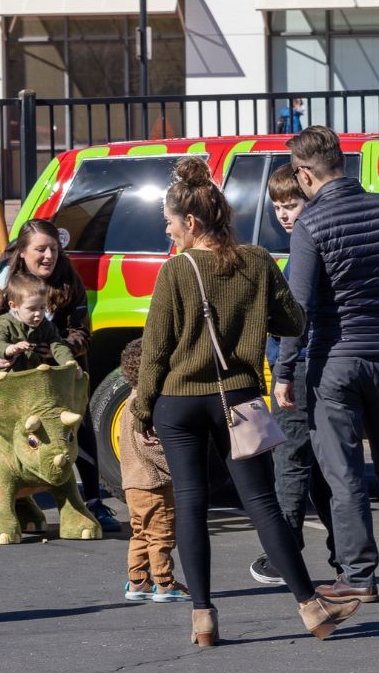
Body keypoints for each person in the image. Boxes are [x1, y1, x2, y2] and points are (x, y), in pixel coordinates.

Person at [130, 155, 359, 646]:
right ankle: (311, 608)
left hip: (178, 403)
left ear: (190, 222)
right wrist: (251, 316)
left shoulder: (176, 271)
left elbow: (156, 351)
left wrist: (142, 408)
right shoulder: (257, 261)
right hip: (239, 399)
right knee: (263, 504)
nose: (168, 232)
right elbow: (295, 323)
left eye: (170, 223)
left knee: (191, 505)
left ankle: (204, 618)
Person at [273, 125, 379, 603]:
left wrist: (283, 371)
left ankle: (360, 576)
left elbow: (296, 309)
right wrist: (377, 306)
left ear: (303, 174)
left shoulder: (311, 225)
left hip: (333, 361)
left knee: (344, 474)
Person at [0, 220, 118, 532]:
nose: (49, 255)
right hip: (16, 371)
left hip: (61, 369)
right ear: (22, 252)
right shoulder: (3, 282)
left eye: (53, 248)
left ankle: (93, 502)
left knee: (79, 428)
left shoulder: (67, 278)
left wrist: (58, 350)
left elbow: (81, 332)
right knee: (0, 427)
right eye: (41, 249)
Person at [249, 163, 337, 586]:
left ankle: (284, 550)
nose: (285, 214)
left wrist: (280, 368)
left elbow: (296, 322)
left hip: (296, 367)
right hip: (307, 365)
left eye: (292, 204)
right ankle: (345, 551)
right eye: (278, 207)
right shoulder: (308, 245)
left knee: (291, 459)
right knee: (320, 463)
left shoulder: (308, 246)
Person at [117, 339, 188, 603]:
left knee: (140, 533)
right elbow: (153, 448)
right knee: (161, 534)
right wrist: (178, 468)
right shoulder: (147, 406)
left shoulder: (129, 401)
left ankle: (137, 581)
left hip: (133, 482)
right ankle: (164, 582)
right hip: (153, 482)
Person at [0, 275, 78, 371]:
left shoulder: (46, 325)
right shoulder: (5, 323)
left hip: (39, 376)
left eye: (42, 307)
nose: (38, 314)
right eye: (32, 309)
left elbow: (58, 345)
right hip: (11, 376)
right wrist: (10, 349)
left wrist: (69, 363)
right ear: (14, 306)